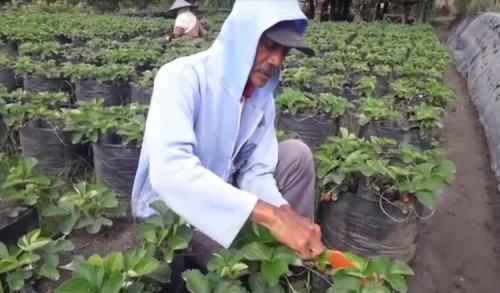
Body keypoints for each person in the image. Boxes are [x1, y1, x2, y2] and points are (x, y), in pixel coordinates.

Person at [132, 0, 324, 270]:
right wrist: (271, 218)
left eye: (285, 51)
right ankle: (250, 267)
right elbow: (171, 172)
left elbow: (256, 171)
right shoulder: (181, 78)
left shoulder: (261, 96)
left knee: (297, 155)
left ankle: (296, 256)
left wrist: (285, 214)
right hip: (175, 208)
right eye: (269, 45)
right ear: (243, 36)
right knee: (225, 252)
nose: (277, 60)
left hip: (229, 188)